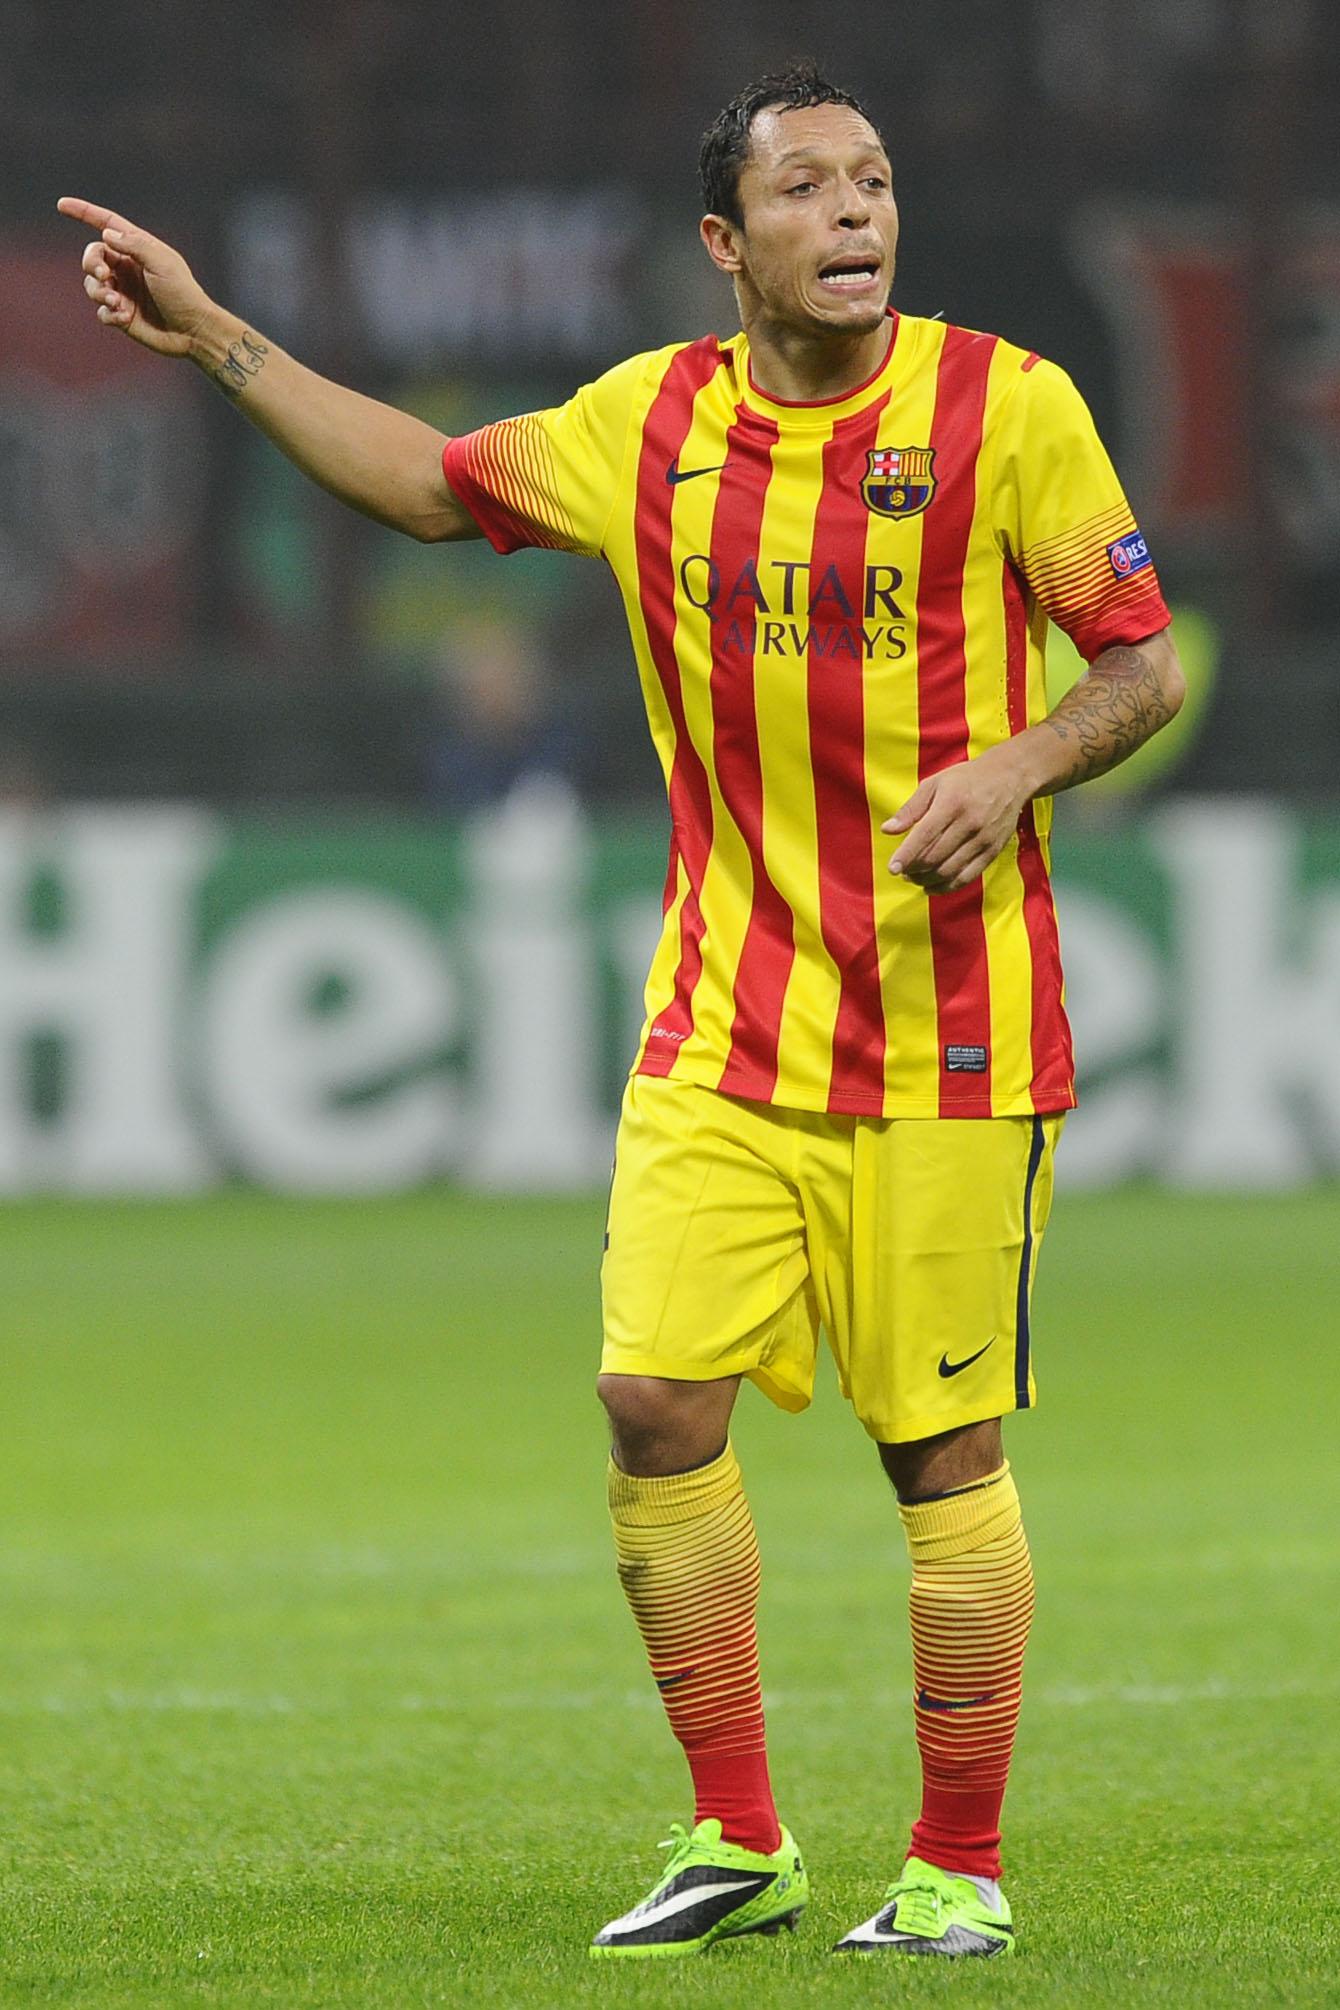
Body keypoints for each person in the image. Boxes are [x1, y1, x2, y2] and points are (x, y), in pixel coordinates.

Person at [59, 59, 1184, 1962]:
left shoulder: (1009, 408)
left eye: (874, 180)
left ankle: (957, 1869)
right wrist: (214, 338)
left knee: (941, 1458)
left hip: (955, 1032)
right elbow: (428, 487)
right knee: (652, 1402)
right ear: (724, 244)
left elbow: (1140, 667)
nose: (855, 210)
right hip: (725, 1021)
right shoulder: (647, 425)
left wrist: (1015, 768)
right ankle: (740, 1840)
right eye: (808, 187)